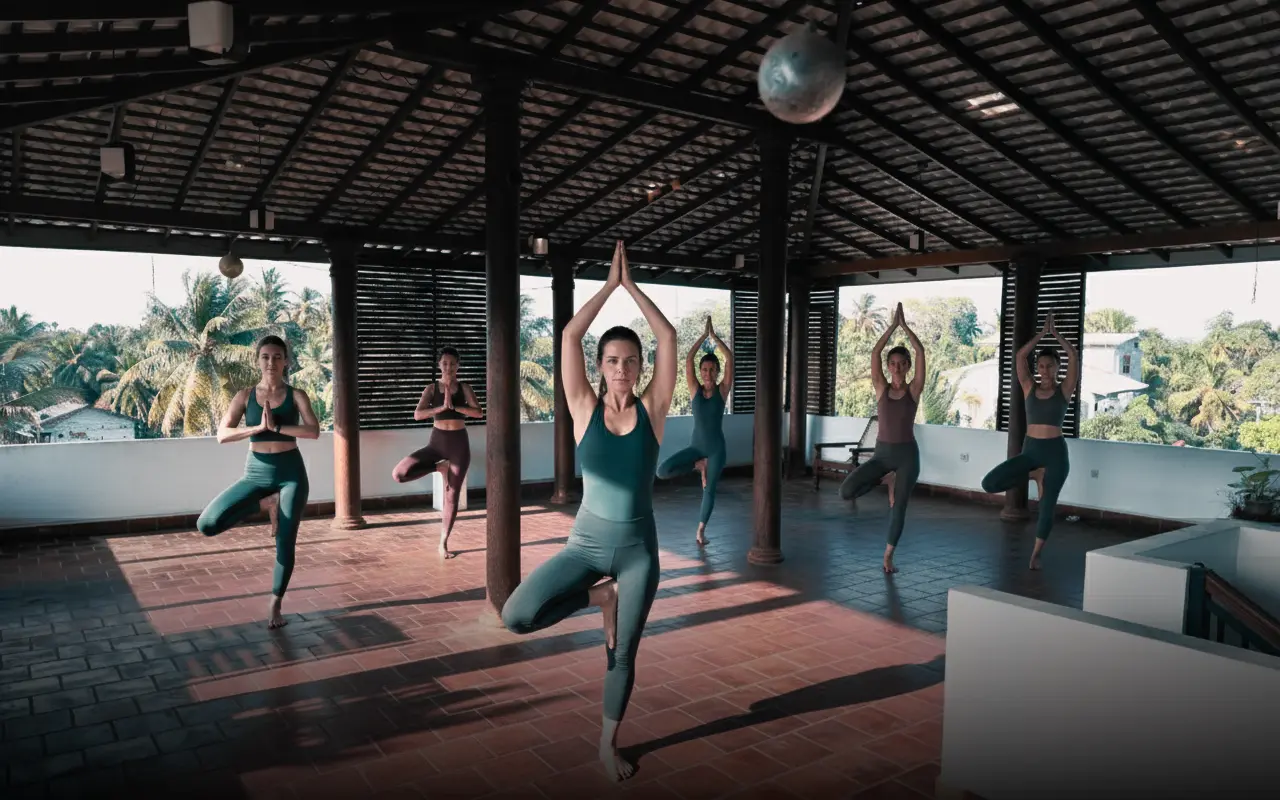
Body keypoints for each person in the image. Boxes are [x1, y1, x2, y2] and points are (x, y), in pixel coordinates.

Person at [500, 240, 677, 782]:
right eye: (613, 361)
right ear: (599, 368)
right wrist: (606, 288)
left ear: (641, 366)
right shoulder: (583, 408)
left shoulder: (655, 408)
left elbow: (668, 336)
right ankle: (598, 596)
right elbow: (570, 335)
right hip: (586, 545)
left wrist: (633, 288)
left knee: (623, 654)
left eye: (630, 361)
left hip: (639, 553)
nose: (622, 369)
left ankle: (607, 743)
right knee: (516, 616)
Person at [197, 335, 320, 629]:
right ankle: (266, 502)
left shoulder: (297, 394)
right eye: (265, 356)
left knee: (286, 542)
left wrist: (277, 426)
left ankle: (275, 604)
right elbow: (222, 434)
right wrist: (257, 428)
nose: (271, 362)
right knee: (208, 524)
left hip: (291, 474)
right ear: (258, 361)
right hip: (256, 473)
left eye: (278, 357)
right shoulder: (244, 396)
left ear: (286, 361)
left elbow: (313, 430)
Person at [981, 312, 1078, 570]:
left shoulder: (1064, 390)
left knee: (1047, 507)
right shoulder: (1029, 388)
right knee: (990, 483)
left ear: (1058, 367)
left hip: (1056, 454)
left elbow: (1074, 356)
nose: (1044, 370)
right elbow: (1020, 357)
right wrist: (1040, 336)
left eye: (1050, 365)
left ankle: (1036, 554)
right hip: (1032, 451)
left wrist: (1057, 336)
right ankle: (1033, 474)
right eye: (1041, 366)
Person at [838, 303, 925, 574]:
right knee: (846, 492)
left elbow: (921, 352)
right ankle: (884, 478)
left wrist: (906, 327)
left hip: (907, 457)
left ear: (908, 367)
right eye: (893, 364)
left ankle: (888, 556)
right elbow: (875, 352)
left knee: (899, 508)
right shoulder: (881, 388)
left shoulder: (914, 389)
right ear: (888, 367)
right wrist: (892, 326)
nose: (897, 368)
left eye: (902, 364)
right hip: (882, 455)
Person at [391, 347, 483, 558]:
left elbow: (478, 413)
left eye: (452, 363)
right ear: (439, 365)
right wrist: (440, 409)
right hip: (437, 443)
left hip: (459, 444)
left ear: (458, 365)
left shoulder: (465, 387)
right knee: (399, 474)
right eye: (445, 363)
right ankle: (438, 467)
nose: (448, 367)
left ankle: (443, 543)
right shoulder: (431, 389)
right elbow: (417, 415)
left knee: (451, 496)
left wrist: (456, 408)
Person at [656, 316, 733, 546]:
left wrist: (715, 337)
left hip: (716, 450)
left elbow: (729, 358)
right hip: (696, 447)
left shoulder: (722, 390)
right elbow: (689, 359)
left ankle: (701, 530)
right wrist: (703, 336)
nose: (707, 373)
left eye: (711, 369)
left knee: (709, 490)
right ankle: (697, 465)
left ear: (717, 372)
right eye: (704, 369)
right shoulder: (695, 391)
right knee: (662, 470)